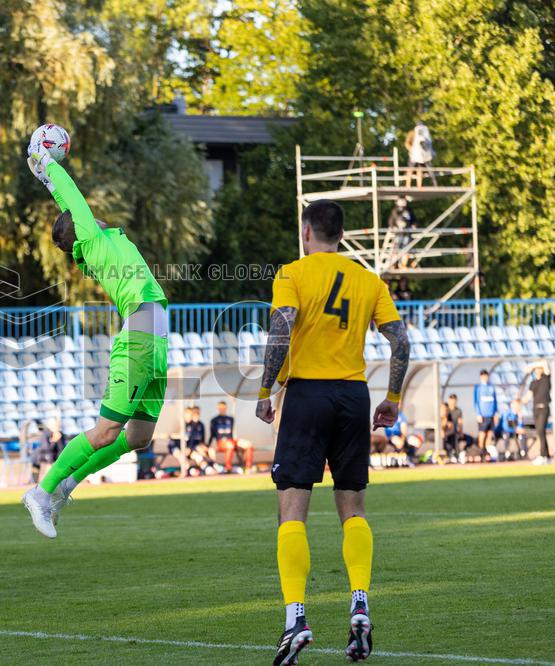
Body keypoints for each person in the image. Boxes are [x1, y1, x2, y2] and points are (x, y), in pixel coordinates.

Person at [257, 200, 410, 664]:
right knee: (353, 509)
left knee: (292, 510)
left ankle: (296, 619)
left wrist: (265, 389)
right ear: (341, 235)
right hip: (353, 396)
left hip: (307, 395)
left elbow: (281, 327)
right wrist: (393, 398)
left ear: (306, 232)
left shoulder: (292, 273)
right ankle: (359, 604)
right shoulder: (369, 280)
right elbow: (400, 340)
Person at [21, 127, 169, 538]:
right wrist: (45, 165)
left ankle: (66, 485)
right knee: (106, 432)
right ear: (80, 228)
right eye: (82, 216)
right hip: (140, 339)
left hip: (154, 342)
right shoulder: (91, 240)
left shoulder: (101, 242)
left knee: (138, 437)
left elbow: (73, 208)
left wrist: (51, 180)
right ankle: (41, 492)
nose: (90, 214)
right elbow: (71, 196)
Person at [208, 401, 253, 473]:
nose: (222, 409)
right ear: (218, 408)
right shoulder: (214, 420)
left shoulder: (230, 419)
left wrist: (234, 402)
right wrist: (208, 445)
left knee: (248, 444)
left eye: (224, 408)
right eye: (220, 408)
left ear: (226, 408)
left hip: (231, 440)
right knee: (230, 445)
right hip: (221, 442)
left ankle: (248, 467)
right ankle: (228, 468)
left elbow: (231, 432)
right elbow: (212, 434)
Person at [524, 362, 552, 464]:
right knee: (540, 433)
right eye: (536, 369)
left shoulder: (546, 379)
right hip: (535, 409)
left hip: (544, 408)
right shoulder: (533, 382)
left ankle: (542, 455)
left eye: (539, 368)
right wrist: (519, 402)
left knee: (541, 431)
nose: (538, 370)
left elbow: (544, 362)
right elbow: (528, 396)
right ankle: (547, 457)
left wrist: (532, 366)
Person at [473, 370, 498, 462]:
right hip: (483, 415)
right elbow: (475, 401)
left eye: (486, 376)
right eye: (483, 376)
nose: (485, 378)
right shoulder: (478, 387)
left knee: (489, 435)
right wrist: (478, 414)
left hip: (491, 415)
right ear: (481, 377)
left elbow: (495, 401)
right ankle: (481, 453)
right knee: (482, 434)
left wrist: (495, 413)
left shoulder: (491, 387)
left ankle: (486, 453)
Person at [404, 120, 435, 187]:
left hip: (422, 156)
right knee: (410, 170)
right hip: (414, 155)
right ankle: (407, 186)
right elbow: (407, 143)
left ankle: (419, 186)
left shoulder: (425, 134)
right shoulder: (412, 133)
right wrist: (411, 150)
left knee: (420, 170)